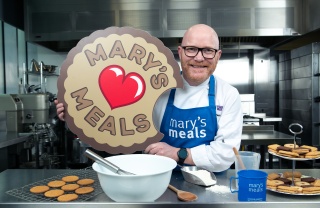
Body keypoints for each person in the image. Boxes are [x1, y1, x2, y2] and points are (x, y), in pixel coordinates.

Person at [55, 24, 243, 172]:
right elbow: (118, 129)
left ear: (218, 55)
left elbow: (226, 154)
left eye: (208, 51)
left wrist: (178, 153)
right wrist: (78, 118)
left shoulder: (227, 95)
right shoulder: (156, 89)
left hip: (212, 186)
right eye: (191, 49)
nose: (199, 58)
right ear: (180, 52)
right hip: (160, 180)